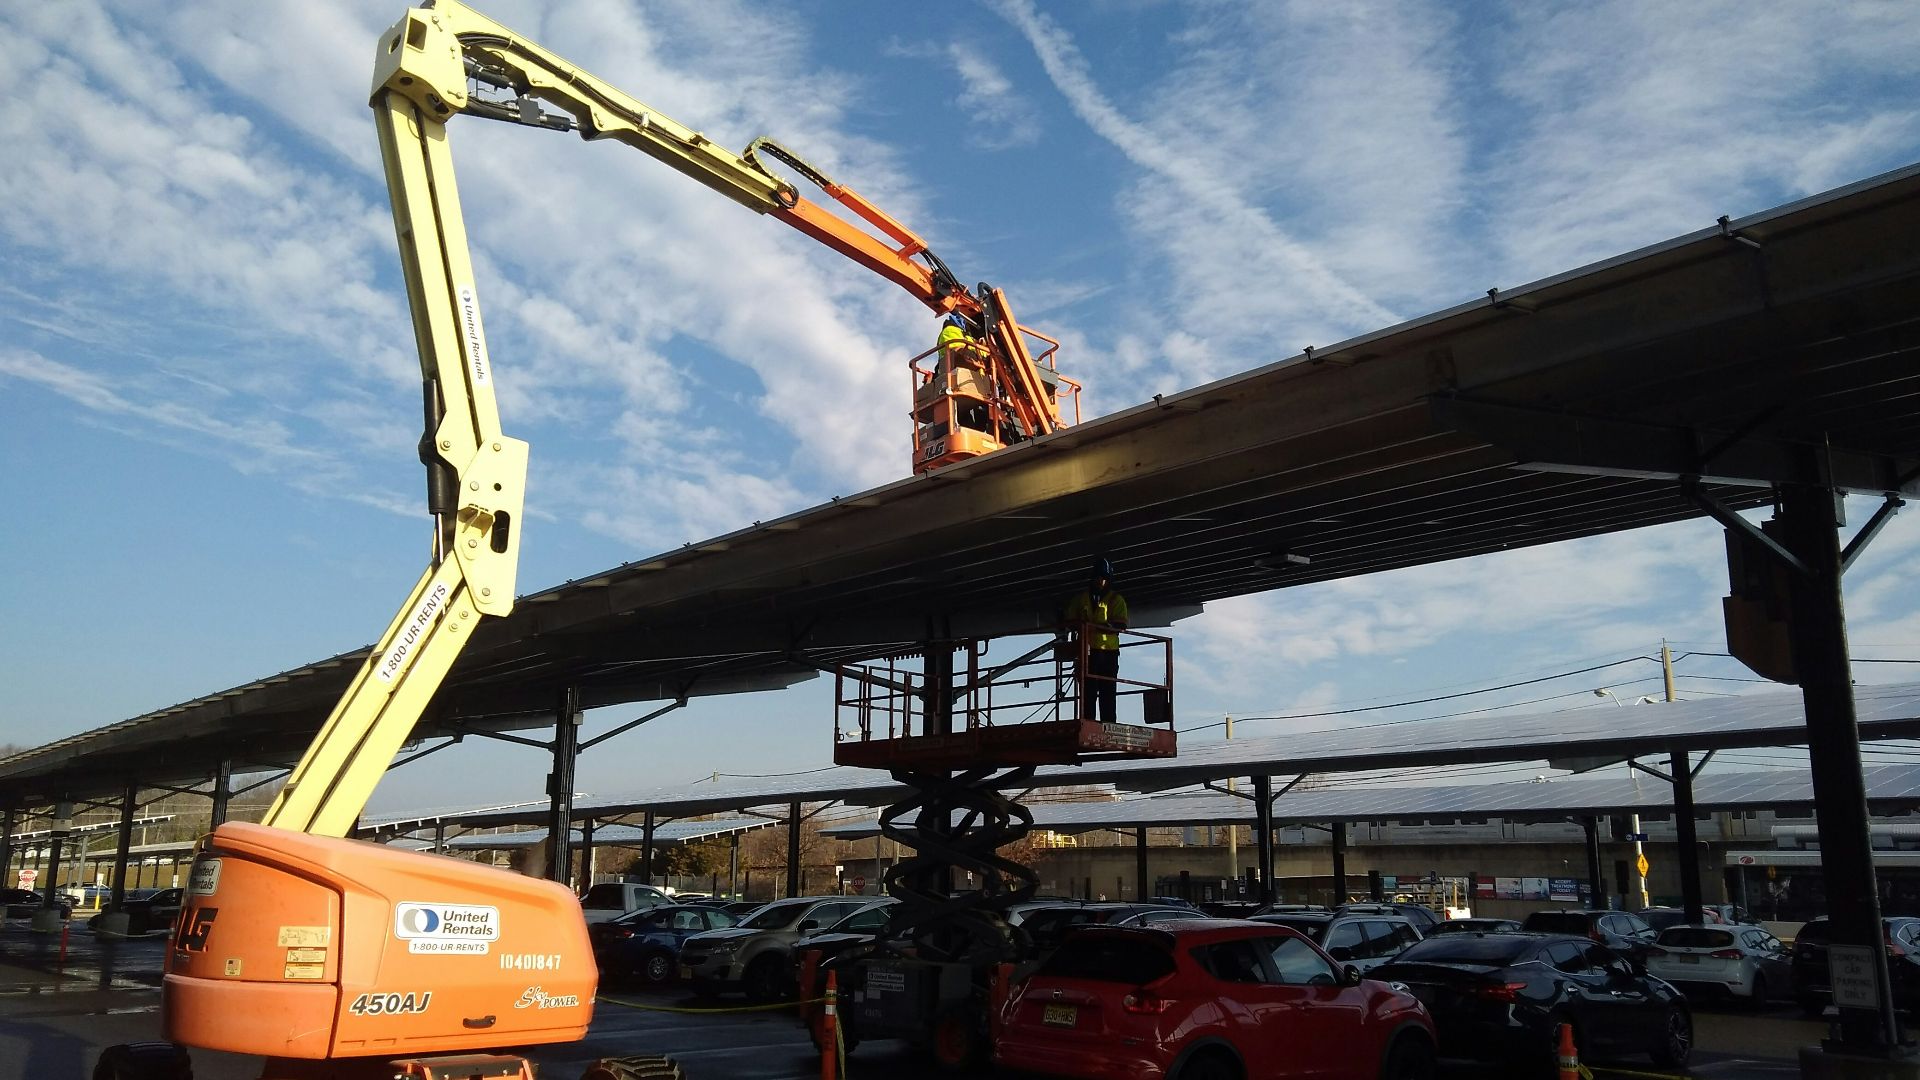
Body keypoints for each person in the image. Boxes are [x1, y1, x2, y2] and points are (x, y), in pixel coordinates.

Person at [1062, 557, 1129, 724]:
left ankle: (1109, 724)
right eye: (1099, 577)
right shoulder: (1081, 599)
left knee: (1107, 691)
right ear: (1093, 578)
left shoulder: (1116, 600)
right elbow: (1069, 620)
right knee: (1088, 690)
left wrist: (1095, 627)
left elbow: (1120, 624)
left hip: (1108, 653)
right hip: (1088, 652)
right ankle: (1088, 722)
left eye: (1104, 578)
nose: (1101, 581)